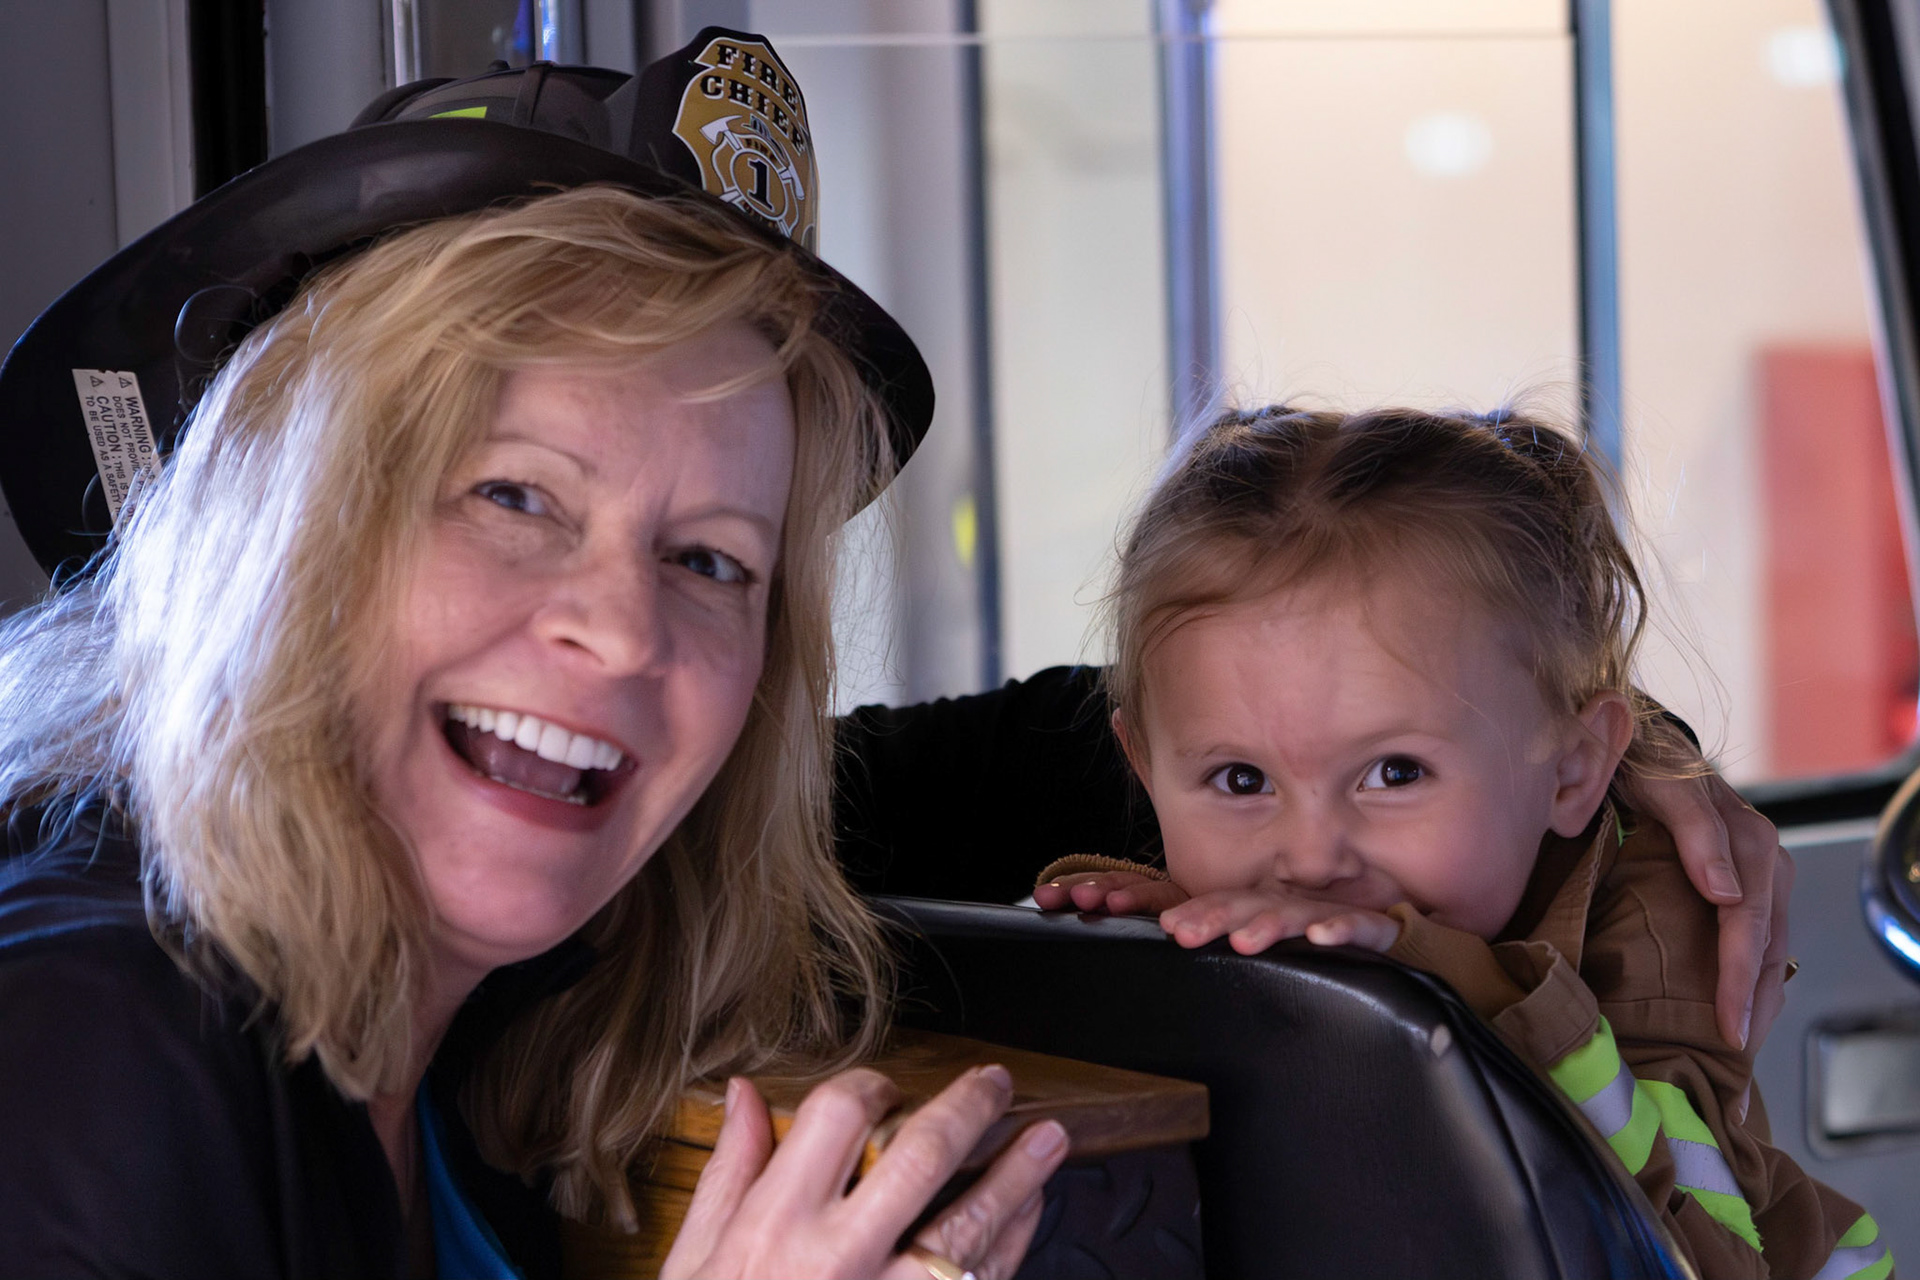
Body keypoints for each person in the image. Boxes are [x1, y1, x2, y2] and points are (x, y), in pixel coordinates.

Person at [0, 32, 1064, 1280]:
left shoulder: (475, 1028)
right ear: (274, 524)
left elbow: (960, 768)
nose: (623, 630)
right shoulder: (92, 1043)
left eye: (710, 559)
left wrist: (1225, 802)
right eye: (515, 496)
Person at [1025, 404, 1889, 1279]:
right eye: (1241, 781)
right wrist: (1158, 953)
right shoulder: (1242, 897)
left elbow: (1695, 1252)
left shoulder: (1653, 926)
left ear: (1572, 772)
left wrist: (1464, 993)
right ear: (1144, 771)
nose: (1311, 857)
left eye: (1395, 772)